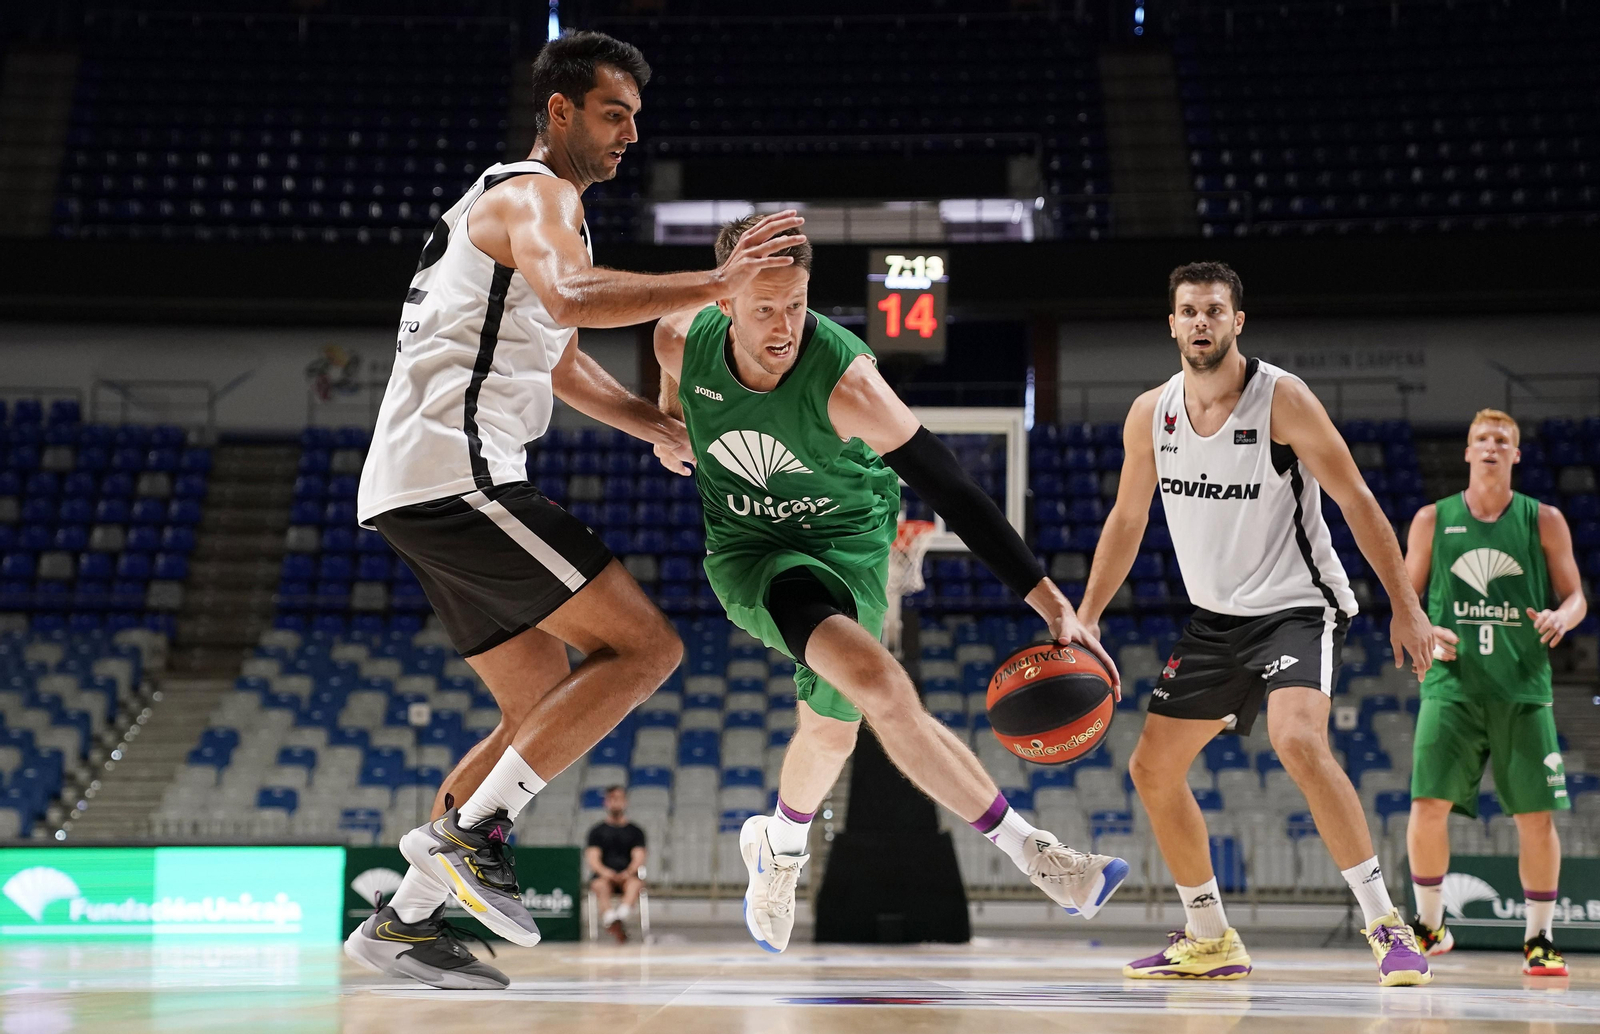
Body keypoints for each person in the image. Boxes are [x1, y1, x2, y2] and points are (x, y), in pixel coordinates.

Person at [343, 31, 810, 989]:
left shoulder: (525, 207)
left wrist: (650, 425)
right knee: (647, 649)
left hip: (418, 484)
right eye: (613, 113)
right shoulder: (535, 195)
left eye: (637, 117)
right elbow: (576, 297)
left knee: (535, 714)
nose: (631, 133)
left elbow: (556, 356)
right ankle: (472, 838)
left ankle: (405, 922)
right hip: (457, 475)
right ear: (559, 111)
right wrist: (721, 282)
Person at [652, 216, 1128, 955]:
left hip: (853, 545)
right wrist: (667, 424)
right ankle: (1039, 856)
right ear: (724, 303)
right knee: (881, 685)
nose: (783, 328)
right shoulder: (682, 337)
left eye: (797, 304)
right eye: (763, 309)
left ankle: (775, 848)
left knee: (831, 730)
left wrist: (1048, 598)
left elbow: (954, 489)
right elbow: (671, 377)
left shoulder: (847, 382)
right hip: (755, 553)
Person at [1077, 261, 1438, 987]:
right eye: (1189, 310)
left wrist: (1405, 603)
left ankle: (1385, 924)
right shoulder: (1152, 411)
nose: (1202, 322)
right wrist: (1083, 615)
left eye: (1215, 310)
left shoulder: (1283, 400)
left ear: (1238, 321)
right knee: (1151, 768)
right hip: (1215, 619)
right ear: (1171, 323)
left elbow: (1359, 502)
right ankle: (1210, 937)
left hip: (1295, 606)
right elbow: (1127, 518)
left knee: (1297, 740)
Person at [1403, 408, 1586, 977]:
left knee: (1535, 818)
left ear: (1515, 455)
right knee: (1426, 807)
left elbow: (1577, 595)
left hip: (1522, 688)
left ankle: (1540, 938)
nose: (1490, 446)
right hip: (1450, 688)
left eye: (1501, 440)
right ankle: (1431, 925)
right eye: (1481, 438)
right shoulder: (1433, 519)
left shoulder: (1544, 519)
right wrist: (1427, 631)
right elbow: (1405, 606)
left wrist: (1563, 616)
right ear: (1466, 452)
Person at [585, 785, 648, 942]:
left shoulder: (635, 831)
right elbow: (593, 858)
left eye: (618, 799)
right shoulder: (597, 831)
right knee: (600, 886)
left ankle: (619, 917)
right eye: (612, 799)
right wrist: (607, 873)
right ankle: (611, 918)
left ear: (625, 802)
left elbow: (639, 857)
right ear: (606, 802)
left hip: (627, 875)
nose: (615, 803)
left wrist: (627, 872)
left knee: (635, 885)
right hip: (604, 876)